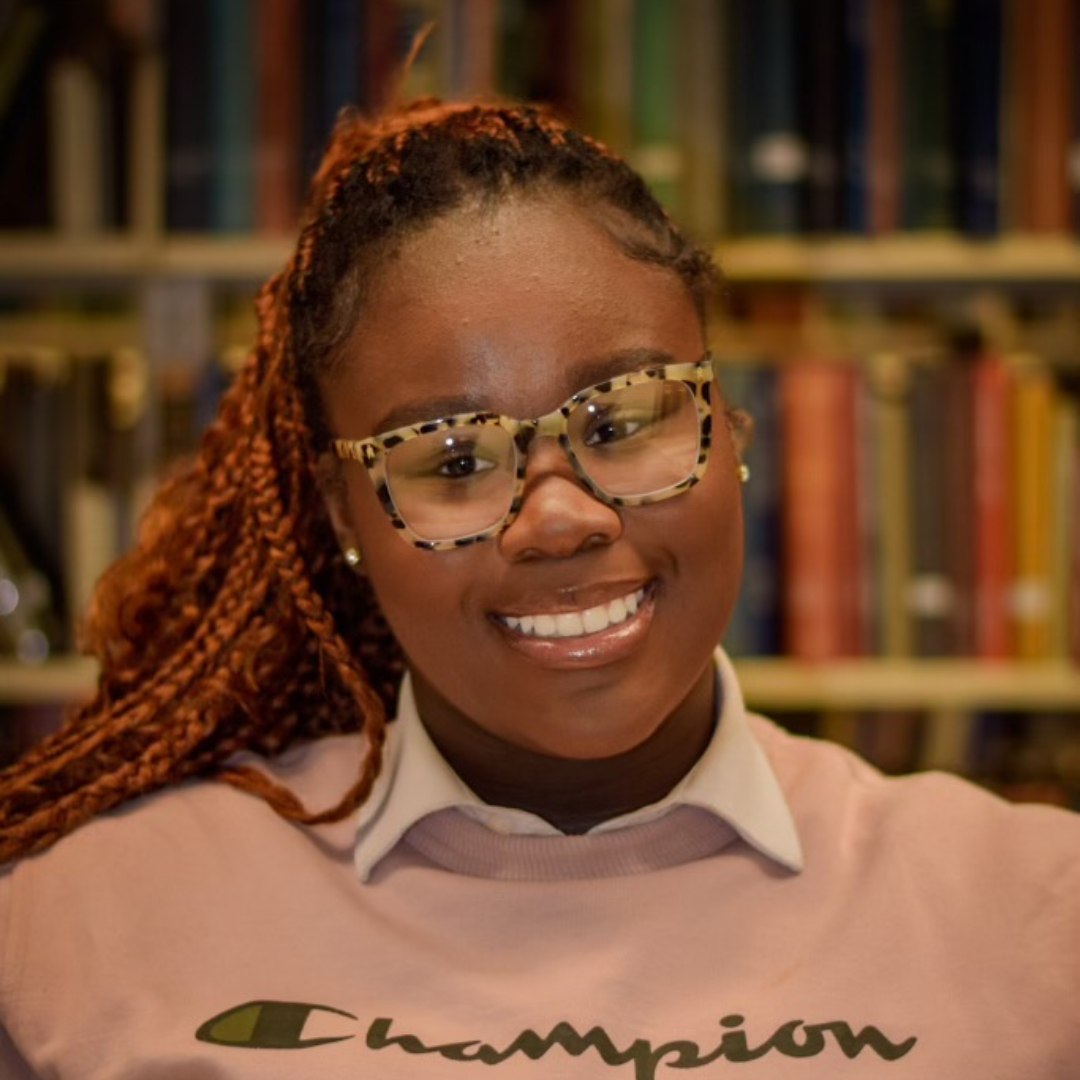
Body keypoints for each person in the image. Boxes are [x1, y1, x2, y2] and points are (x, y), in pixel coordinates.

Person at [1, 94, 1078, 1080]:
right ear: (343, 516)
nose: (561, 518)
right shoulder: (76, 930)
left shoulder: (1036, 919)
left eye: (623, 419)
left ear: (728, 424)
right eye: (453, 460)